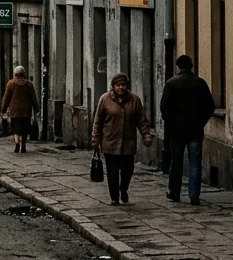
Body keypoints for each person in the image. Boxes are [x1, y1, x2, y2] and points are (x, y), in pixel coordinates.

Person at [160, 54, 216, 206]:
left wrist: (171, 122)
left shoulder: (171, 83)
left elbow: (164, 108)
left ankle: (174, 192)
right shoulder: (200, 83)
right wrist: (201, 122)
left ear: (177, 67)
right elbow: (210, 106)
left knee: (176, 161)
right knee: (195, 163)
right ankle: (194, 195)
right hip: (195, 130)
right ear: (191, 66)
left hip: (176, 131)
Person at [91, 73, 153, 205]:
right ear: (113, 86)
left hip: (127, 143)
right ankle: (114, 197)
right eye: (118, 85)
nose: (121, 88)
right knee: (112, 173)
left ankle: (123, 189)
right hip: (110, 142)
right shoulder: (105, 99)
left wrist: (146, 135)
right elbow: (98, 121)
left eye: (123, 85)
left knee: (127, 171)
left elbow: (141, 120)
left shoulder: (134, 100)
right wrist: (95, 140)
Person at [0, 65, 39, 154]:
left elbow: (6, 97)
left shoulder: (11, 83)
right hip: (26, 111)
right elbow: (33, 97)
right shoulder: (29, 84)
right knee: (25, 128)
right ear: (24, 74)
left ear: (15, 74)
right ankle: (23, 146)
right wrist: (36, 108)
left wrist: (3, 108)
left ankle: (17, 143)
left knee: (15, 128)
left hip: (14, 111)